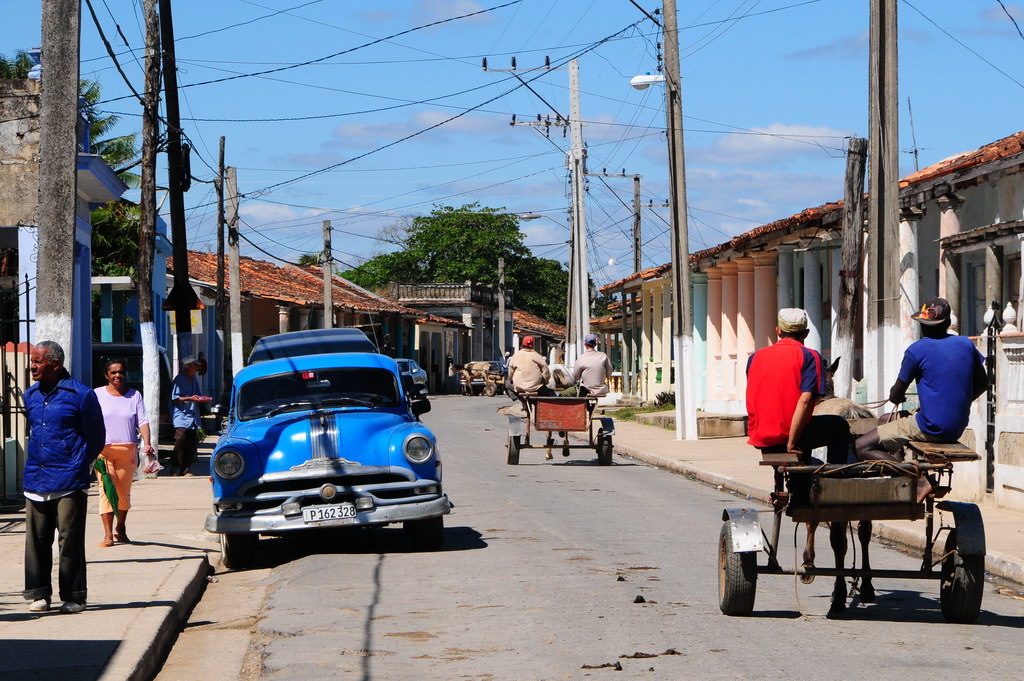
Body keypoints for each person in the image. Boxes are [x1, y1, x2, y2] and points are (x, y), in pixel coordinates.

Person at [23, 341, 105, 614]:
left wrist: (80, 463)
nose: (32, 366)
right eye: (33, 361)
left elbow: (96, 437)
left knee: (69, 539)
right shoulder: (30, 395)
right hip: (36, 477)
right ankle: (39, 593)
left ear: (55, 365)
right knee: (36, 540)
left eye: (37, 362)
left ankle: (74, 596)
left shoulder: (81, 395)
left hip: (69, 479)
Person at [856, 297, 987, 462]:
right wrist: (959, 401)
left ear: (923, 326)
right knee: (884, 420)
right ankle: (904, 472)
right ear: (947, 324)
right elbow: (983, 383)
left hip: (930, 427)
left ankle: (913, 475)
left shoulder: (916, 350)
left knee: (862, 446)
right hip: (957, 427)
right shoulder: (966, 345)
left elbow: (897, 393)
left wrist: (895, 396)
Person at [746, 308, 850, 465]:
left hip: (760, 435)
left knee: (805, 426)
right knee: (839, 425)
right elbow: (806, 400)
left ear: (778, 331)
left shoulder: (755, 357)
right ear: (806, 333)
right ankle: (835, 477)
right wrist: (792, 441)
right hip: (791, 436)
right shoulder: (810, 356)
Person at [94, 358, 157, 547]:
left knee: (122, 492)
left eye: (120, 371)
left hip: (127, 450)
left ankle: (120, 527)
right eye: (113, 372)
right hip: (103, 451)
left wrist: (147, 443)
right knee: (106, 489)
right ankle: (107, 534)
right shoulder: (96, 395)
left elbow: (143, 421)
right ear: (106, 375)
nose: (117, 375)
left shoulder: (134, 396)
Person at [170, 356, 205, 476]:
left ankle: (185, 470)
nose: (196, 368)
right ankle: (174, 468)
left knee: (191, 443)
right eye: (195, 366)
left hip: (193, 416)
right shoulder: (179, 379)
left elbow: (198, 394)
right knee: (180, 441)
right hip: (181, 415)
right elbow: (175, 398)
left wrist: (202, 399)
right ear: (188, 367)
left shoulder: (194, 379)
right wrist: (189, 398)